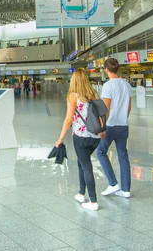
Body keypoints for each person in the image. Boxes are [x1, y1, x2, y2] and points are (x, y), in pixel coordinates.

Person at [54, 68, 102, 211]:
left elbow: (69, 119)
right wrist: (102, 129)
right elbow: (101, 114)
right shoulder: (93, 93)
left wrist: (60, 138)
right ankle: (81, 193)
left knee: (86, 166)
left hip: (80, 136)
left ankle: (93, 201)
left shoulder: (73, 96)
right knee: (82, 163)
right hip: (95, 136)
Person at [97, 57, 133, 198]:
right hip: (123, 125)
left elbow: (106, 108)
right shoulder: (127, 85)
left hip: (110, 125)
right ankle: (126, 189)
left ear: (106, 69)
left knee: (101, 152)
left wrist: (102, 126)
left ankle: (113, 183)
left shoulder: (108, 86)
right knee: (122, 155)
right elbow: (129, 107)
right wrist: (123, 118)